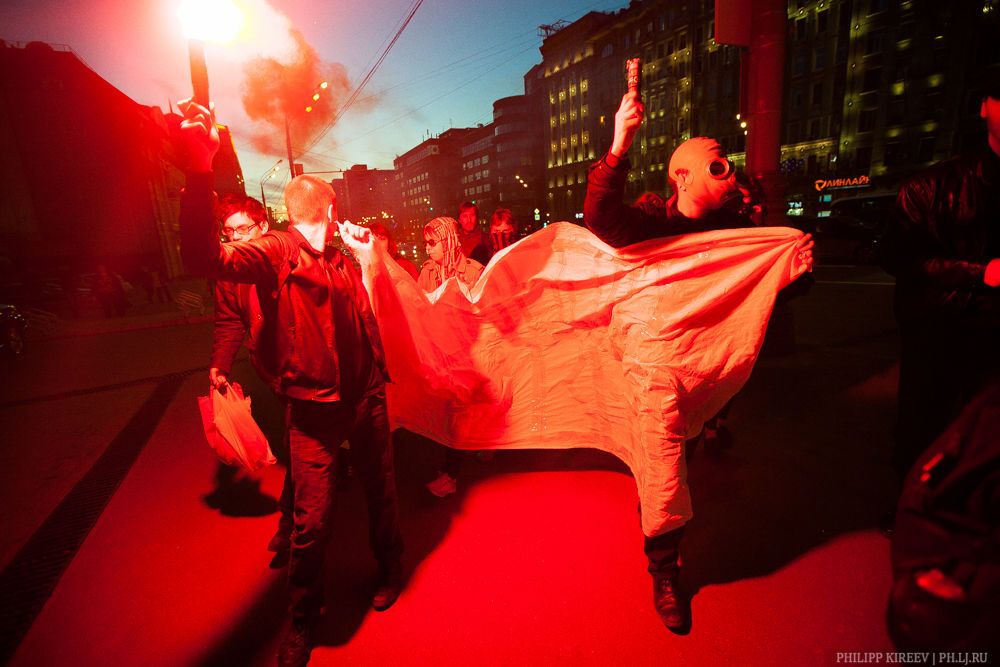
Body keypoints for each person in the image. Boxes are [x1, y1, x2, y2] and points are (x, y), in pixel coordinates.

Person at [178, 99, 404, 667]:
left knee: (382, 495)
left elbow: (371, 310)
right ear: (328, 207)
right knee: (312, 522)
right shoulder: (279, 249)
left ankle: (391, 569)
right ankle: (303, 624)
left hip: (367, 396)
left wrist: (366, 252)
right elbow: (202, 260)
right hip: (313, 411)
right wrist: (198, 171)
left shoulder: (343, 253)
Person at [584, 89, 814, 634]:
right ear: (683, 177)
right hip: (654, 369)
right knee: (665, 467)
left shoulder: (734, 231)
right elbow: (600, 218)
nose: (727, 170)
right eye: (715, 162)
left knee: (672, 454)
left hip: (705, 369)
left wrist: (791, 266)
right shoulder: (648, 222)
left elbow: (757, 299)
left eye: (726, 161)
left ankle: (658, 506)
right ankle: (664, 571)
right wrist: (619, 145)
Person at [881, 81, 1000, 492]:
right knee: (925, 422)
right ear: (984, 105)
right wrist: (979, 273)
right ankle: (915, 505)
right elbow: (900, 258)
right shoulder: (931, 187)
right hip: (942, 332)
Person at [205, 193, 294, 566]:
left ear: (263, 228)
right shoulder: (229, 276)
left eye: (244, 229)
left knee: (299, 448)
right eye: (229, 232)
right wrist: (220, 365)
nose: (236, 238)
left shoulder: (285, 261)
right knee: (296, 447)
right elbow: (229, 322)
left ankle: (294, 524)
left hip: (305, 371)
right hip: (270, 372)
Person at [416, 216, 484, 497]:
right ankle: (473, 448)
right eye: (426, 244)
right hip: (440, 354)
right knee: (451, 416)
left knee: (460, 415)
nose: (428, 249)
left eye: (433, 243)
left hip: (468, 355)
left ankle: (450, 474)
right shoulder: (428, 273)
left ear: (448, 241)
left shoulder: (473, 271)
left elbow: (484, 314)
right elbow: (420, 309)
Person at [457, 201, 490, 265]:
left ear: (477, 218)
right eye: (465, 216)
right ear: (459, 220)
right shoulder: (454, 240)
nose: (469, 220)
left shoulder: (485, 240)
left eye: (472, 215)